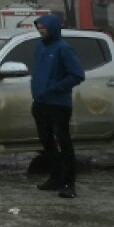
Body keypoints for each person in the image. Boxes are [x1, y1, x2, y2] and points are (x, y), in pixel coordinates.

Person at [30, 15, 85, 199]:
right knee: (47, 141)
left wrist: (55, 88)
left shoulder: (63, 48)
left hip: (59, 104)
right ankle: (55, 177)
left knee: (63, 141)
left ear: (52, 28)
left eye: (44, 28)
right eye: (39, 28)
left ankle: (69, 182)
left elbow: (77, 74)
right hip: (41, 102)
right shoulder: (40, 47)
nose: (41, 30)